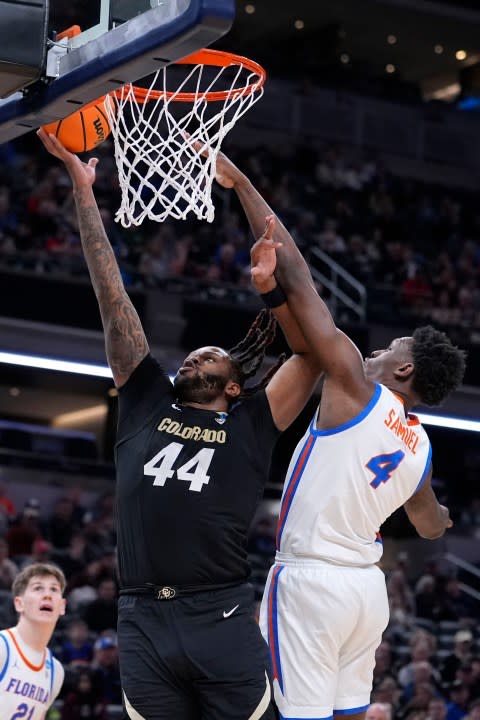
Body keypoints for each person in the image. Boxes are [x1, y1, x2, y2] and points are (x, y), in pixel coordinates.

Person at [37, 128, 321, 720]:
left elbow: (314, 349)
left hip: (217, 613)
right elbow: (109, 292)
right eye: (192, 356)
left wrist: (270, 289)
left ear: (235, 383)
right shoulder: (145, 400)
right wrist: (84, 192)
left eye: (211, 356)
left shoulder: (254, 421)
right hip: (141, 619)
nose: (194, 357)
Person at [206, 149, 466, 720]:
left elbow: (301, 277)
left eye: (386, 351)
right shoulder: (420, 447)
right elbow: (427, 524)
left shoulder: (356, 387)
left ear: (404, 371)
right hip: (367, 596)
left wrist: (244, 185)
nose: (372, 352)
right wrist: (443, 515)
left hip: (312, 582)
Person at [0, 562, 66, 718]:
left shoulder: (56, 671)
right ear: (19, 603)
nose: (47, 595)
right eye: (38, 588)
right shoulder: (3, 646)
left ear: (62, 606)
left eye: (54, 589)